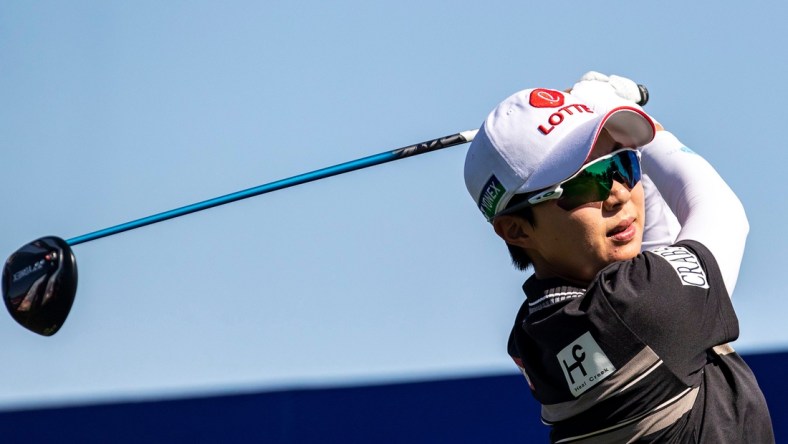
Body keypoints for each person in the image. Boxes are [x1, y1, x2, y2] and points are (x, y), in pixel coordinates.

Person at [463, 73, 774, 442]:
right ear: (515, 229)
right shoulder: (635, 308)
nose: (618, 195)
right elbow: (722, 213)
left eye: (623, 166)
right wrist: (616, 108)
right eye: (583, 182)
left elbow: (654, 247)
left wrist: (610, 124)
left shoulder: (535, 331)